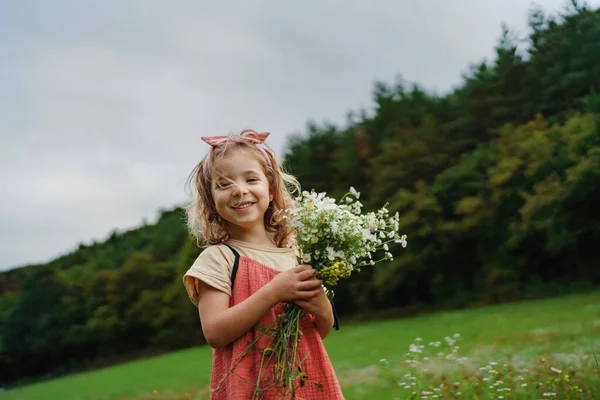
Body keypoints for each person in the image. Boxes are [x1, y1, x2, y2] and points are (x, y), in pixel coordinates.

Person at [182, 129, 344, 399]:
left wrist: (323, 309)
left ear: (270, 190)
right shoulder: (218, 258)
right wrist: (273, 292)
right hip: (252, 388)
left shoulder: (296, 254)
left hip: (306, 384)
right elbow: (215, 332)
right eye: (224, 184)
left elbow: (317, 332)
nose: (239, 190)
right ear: (211, 202)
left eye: (251, 179)